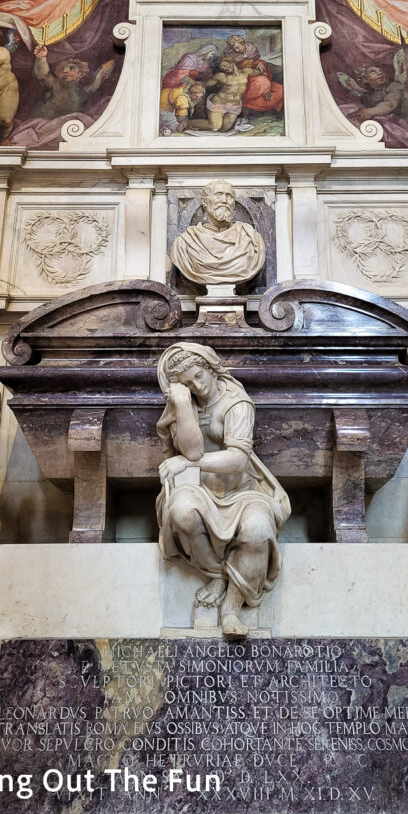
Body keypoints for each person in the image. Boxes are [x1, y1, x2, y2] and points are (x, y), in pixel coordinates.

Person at [156, 343, 291, 640]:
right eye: (188, 383)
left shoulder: (236, 403)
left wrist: (182, 462)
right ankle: (218, 576)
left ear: (210, 367)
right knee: (181, 512)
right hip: (198, 488)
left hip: (243, 491)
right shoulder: (184, 403)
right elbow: (191, 451)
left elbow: (237, 460)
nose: (198, 385)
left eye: (199, 375)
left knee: (257, 528)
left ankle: (232, 606)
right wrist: (181, 403)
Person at [169, 179, 265, 286]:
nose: (224, 200)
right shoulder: (185, 242)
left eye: (229, 196)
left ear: (233, 203)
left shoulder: (251, 238)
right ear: (205, 201)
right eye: (218, 195)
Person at [31, 46, 114, 120]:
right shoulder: (55, 84)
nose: (65, 71)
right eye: (63, 70)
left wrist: (101, 76)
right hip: (46, 121)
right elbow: (43, 75)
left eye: (71, 68)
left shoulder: (81, 92)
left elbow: (93, 87)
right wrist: (41, 58)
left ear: (80, 74)